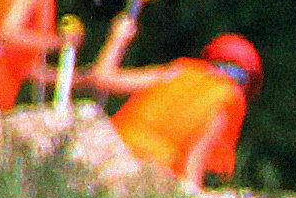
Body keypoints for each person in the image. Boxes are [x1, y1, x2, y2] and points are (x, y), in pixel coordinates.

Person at [108, 31, 259, 186]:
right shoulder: (224, 102)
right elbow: (192, 167)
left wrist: (118, 37)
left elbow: (101, 78)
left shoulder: (174, 73)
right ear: (244, 85)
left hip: (111, 148)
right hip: (145, 172)